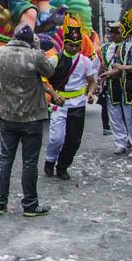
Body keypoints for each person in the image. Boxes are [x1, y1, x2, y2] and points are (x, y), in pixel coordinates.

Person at [0, 23, 55, 216]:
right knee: (29, 163)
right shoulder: (35, 56)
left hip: (7, 116)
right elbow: (49, 71)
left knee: (5, 159)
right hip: (32, 117)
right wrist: (36, 47)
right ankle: (30, 205)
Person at [42, 15, 97, 180]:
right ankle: (50, 161)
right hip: (59, 104)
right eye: (70, 44)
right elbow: (42, 80)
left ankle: (62, 166)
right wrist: (53, 94)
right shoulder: (55, 60)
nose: (73, 48)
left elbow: (92, 82)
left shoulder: (86, 61)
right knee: (56, 138)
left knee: (73, 140)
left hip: (78, 105)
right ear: (64, 43)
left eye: (76, 45)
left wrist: (90, 93)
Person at [100, 6, 132, 163]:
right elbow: (118, 66)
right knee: (131, 120)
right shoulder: (122, 45)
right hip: (128, 88)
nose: (116, 32)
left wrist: (123, 68)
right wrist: (108, 74)